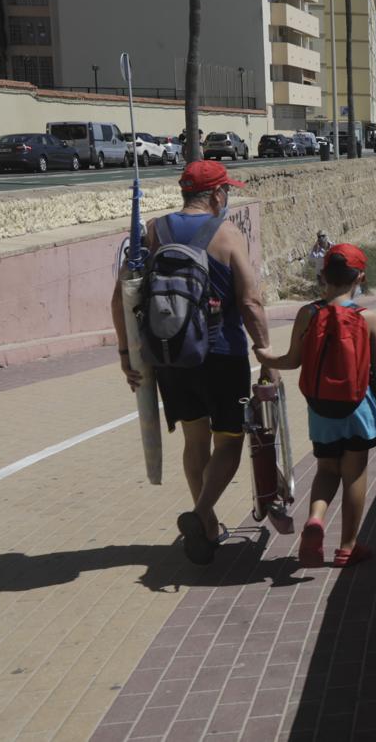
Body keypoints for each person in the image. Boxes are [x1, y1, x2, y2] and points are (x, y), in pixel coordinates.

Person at [111, 161, 270, 565]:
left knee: (194, 440)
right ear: (218, 195)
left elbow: (122, 297)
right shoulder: (228, 233)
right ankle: (200, 516)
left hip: (170, 356)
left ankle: (210, 527)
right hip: (221, 355)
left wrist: (128, 355)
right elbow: (250, 302)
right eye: (226, 193)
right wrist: (266, 354)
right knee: (230, 441)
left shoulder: (153, 230)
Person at [254, 244, 376, 568]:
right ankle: (347, 547)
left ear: (323, 275)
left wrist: (264, 357)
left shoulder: (308, 313)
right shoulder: (367, 318)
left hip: (320, 408)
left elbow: (291, 360)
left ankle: (315, 519)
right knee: (354, 474)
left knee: (327, 470)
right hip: (358, 407)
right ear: (360, 277)